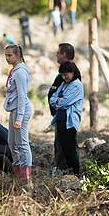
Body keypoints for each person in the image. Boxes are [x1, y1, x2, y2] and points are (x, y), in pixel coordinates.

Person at [47, 43, 82, 174]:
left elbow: (65, 101)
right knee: (60, 143)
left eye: (58, 53)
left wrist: (58, 102)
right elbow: (54, 96)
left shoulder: (74, 81)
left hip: (68, 118)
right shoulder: (63, 77)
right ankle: (63, 169)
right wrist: (56, 101)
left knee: (68, 146)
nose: (56, 55)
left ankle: (71, 171)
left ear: (64, 54)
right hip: (60, 117)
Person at [4, 44, 32, 185]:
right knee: (12, 142)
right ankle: (18, 171)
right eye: (6, 55)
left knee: (22, 143)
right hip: (14, 109)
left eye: (10, 55)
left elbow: (22, 96)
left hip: (21, 110)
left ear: (18, 55)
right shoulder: (14, 70)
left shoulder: (20, 72)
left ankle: (26, 179)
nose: (7, 58)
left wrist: (19, 118)